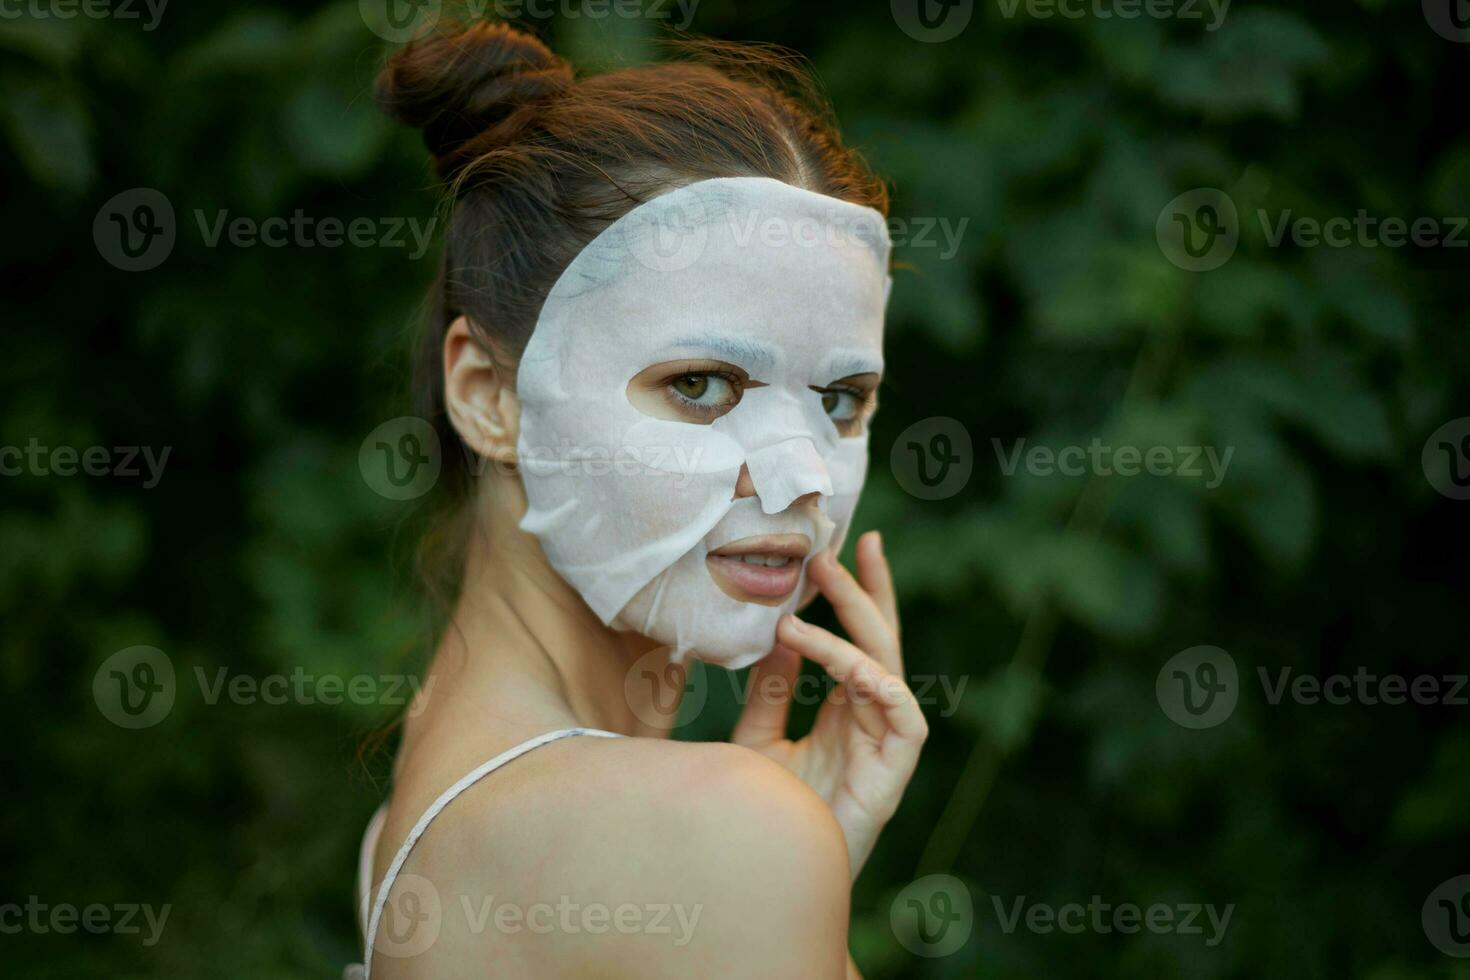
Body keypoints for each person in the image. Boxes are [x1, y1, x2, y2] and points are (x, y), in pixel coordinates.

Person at [354, 20, 928, 979]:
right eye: (701, 384)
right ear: (490, 398)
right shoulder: (721, 834)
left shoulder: (413, 820)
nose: (806, 478)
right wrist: (769, 859)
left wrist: (810, 858)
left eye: (840, 401)